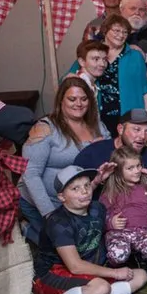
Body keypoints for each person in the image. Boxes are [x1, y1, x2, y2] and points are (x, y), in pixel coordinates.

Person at [32, 166, 147, 294]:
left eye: (87, 185)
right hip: (52, 275)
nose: (84, 191)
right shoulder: (59, 222)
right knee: (102, 288)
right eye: (75, 189)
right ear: (61, 197)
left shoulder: (97, 208)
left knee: (140, 276)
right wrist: (114, 273)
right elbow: (75, 266)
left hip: (87, 272)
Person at [74, 108, 147, 264]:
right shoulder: (93, 153)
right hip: (104, 219)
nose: (142, 136)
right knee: (98, 257)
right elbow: (72, 194)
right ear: (120, 129)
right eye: (136, 129)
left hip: (143, 219)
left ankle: (136, 254)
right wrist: (97, 181)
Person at [19, 77, 109, 243]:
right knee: (61, 248)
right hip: (45, 202)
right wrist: (50, 214)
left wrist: (101, 149)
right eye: (72, 99)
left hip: (81, 200)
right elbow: (30, 174)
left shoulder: (97, 125)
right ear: (61, 101)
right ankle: (27, 229)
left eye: (83, 99)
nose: (78, 104)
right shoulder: (46, 127)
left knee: (90, 245)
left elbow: (110, 157)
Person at [100, 146, 147, 267]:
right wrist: (111, 223)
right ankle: (122, 263)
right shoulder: (110, 192)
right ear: (118, 170)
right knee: (118, 254)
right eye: (130, 168)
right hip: (118, 233)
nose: (136, 171)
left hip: (142, 231)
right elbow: (99, 217)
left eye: (138, 166)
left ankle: (141, 260)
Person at [91, 14, 147, 133]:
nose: (121, 35)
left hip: (129, 115)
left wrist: (146, 116)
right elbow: (72, 76)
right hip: (98, 115)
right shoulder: (94, 52)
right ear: (105, 31)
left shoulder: (135, 55)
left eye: (125, 32)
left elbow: (146, 89)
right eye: (116, 30)